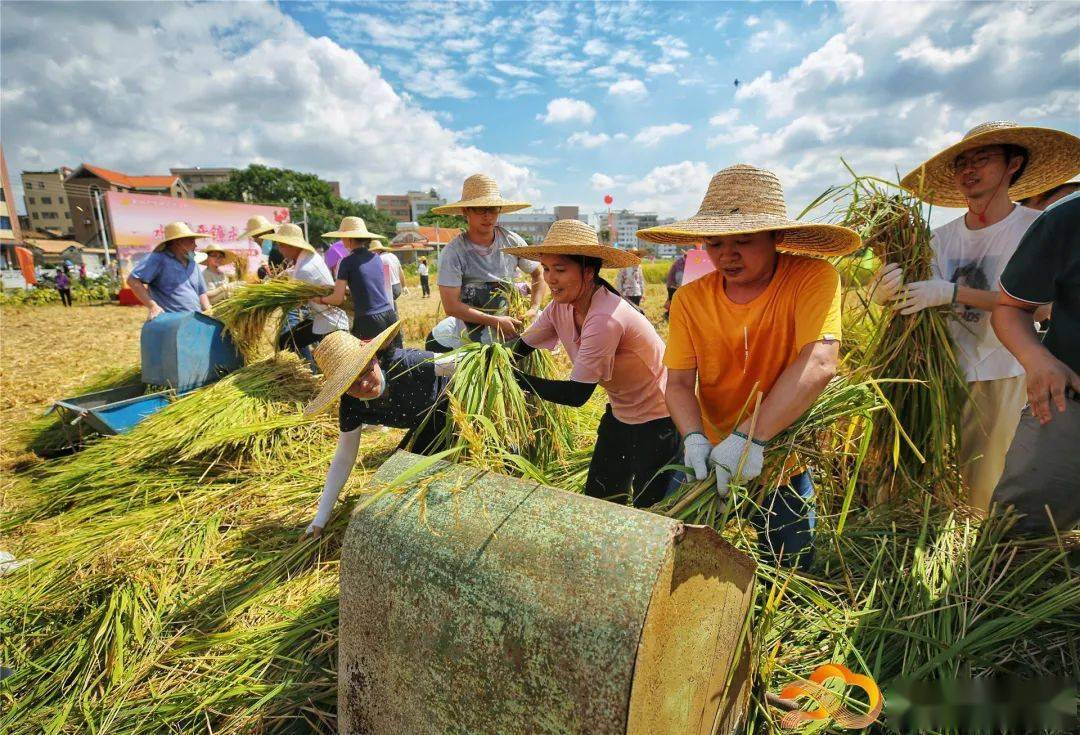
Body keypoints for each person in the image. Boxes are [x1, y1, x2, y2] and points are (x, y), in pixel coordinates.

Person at [638, 164, 860, 570]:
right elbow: (680, 383)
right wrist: (693, 439)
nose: (727, 254)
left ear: (776, 237)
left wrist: (752, 439)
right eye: (715, 242)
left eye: (743, 240)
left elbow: (821, 361)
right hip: (707, 453)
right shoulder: (691, 299)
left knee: (792, 567)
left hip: (778, 452)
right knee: (676, 559)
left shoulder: (812, 278)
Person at [874, 121, 1080, 512]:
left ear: (1013, 164)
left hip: (1001, 371)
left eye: (982, 159)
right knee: (920, 476)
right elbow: (916, 297)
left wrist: (953, 292)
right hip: (940, 370)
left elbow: (1042, 308)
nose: (969, 169)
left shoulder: (1034, 228)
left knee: (986, 483)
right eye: (962, 162)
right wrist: (886, 292)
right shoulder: (940, 237)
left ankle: (982, 563)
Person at [504, 220, 678, 507]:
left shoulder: (605, 317)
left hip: (658, 419)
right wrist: (488, 360)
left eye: (560, 270)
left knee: (650, 511)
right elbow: (520, 348)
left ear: (588, 271)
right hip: (620, 412)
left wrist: (516, 380)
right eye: (546, 269)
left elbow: (577, 395)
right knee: (601, 499)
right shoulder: (559, 307)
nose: (550, 279)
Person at [300, 323, 457, 538]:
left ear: (373, 358)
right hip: (426, 426)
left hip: (457, 414)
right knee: (402, 486)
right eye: (352, 384)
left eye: (365, 372)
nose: (364, 385)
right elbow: (344, 458)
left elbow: (467, 364)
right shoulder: (352, 406)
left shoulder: (408, 364)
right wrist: (320, 519)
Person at [991, 193, 1080, 536]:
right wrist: (1037, 358)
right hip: (1066, 407)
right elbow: (1010, 307)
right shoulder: (1068, 218)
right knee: (1016, 540)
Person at [433, 174, 546, 342]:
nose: (488, 216)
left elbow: (538, 273)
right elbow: (451, 307)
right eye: (480, 209)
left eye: (493, 209)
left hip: (512, 335)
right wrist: (495, 321)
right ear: (466, 211)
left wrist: (534, 308)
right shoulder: (454, 253)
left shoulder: (511, 241)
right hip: (473, 341)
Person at [258, 223, 351, 357]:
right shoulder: (309, 256)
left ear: (292, 246)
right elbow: (294, 272)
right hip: (323, 316)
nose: (279, 249)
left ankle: (308, 373)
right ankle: (309, 372)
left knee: (289, 342)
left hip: (329, 323)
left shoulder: (303, 270)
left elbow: (295, 301)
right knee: (288, 341)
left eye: (281, 245)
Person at [314, 216, 403, 350]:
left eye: (342, 237)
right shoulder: (376, 258)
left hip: (369, 321)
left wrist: (320, 300)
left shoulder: (347, 262)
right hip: (389, 314)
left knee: (370, 366)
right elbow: (369, 287)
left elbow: (338, 299)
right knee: (393, 360)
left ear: (349, 239)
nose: (341, 240)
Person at [127, 221, 212, 320]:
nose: (195, 246)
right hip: (172, 322)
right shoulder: (158, 259)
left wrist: (208, 309)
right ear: (179, 242)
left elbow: (201, 292)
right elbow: (133, 280)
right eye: (191, 241)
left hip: (195, 320)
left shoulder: (193, 262)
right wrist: (153, 306)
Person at [663, 248, 686, 320]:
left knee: (674, 301)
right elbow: (679, 277)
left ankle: (670, 315)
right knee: (673, 301)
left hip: (676, 285)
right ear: (685, 256)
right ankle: (669, 315)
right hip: (672, 285)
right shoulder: (680, 263)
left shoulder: (687, 262)